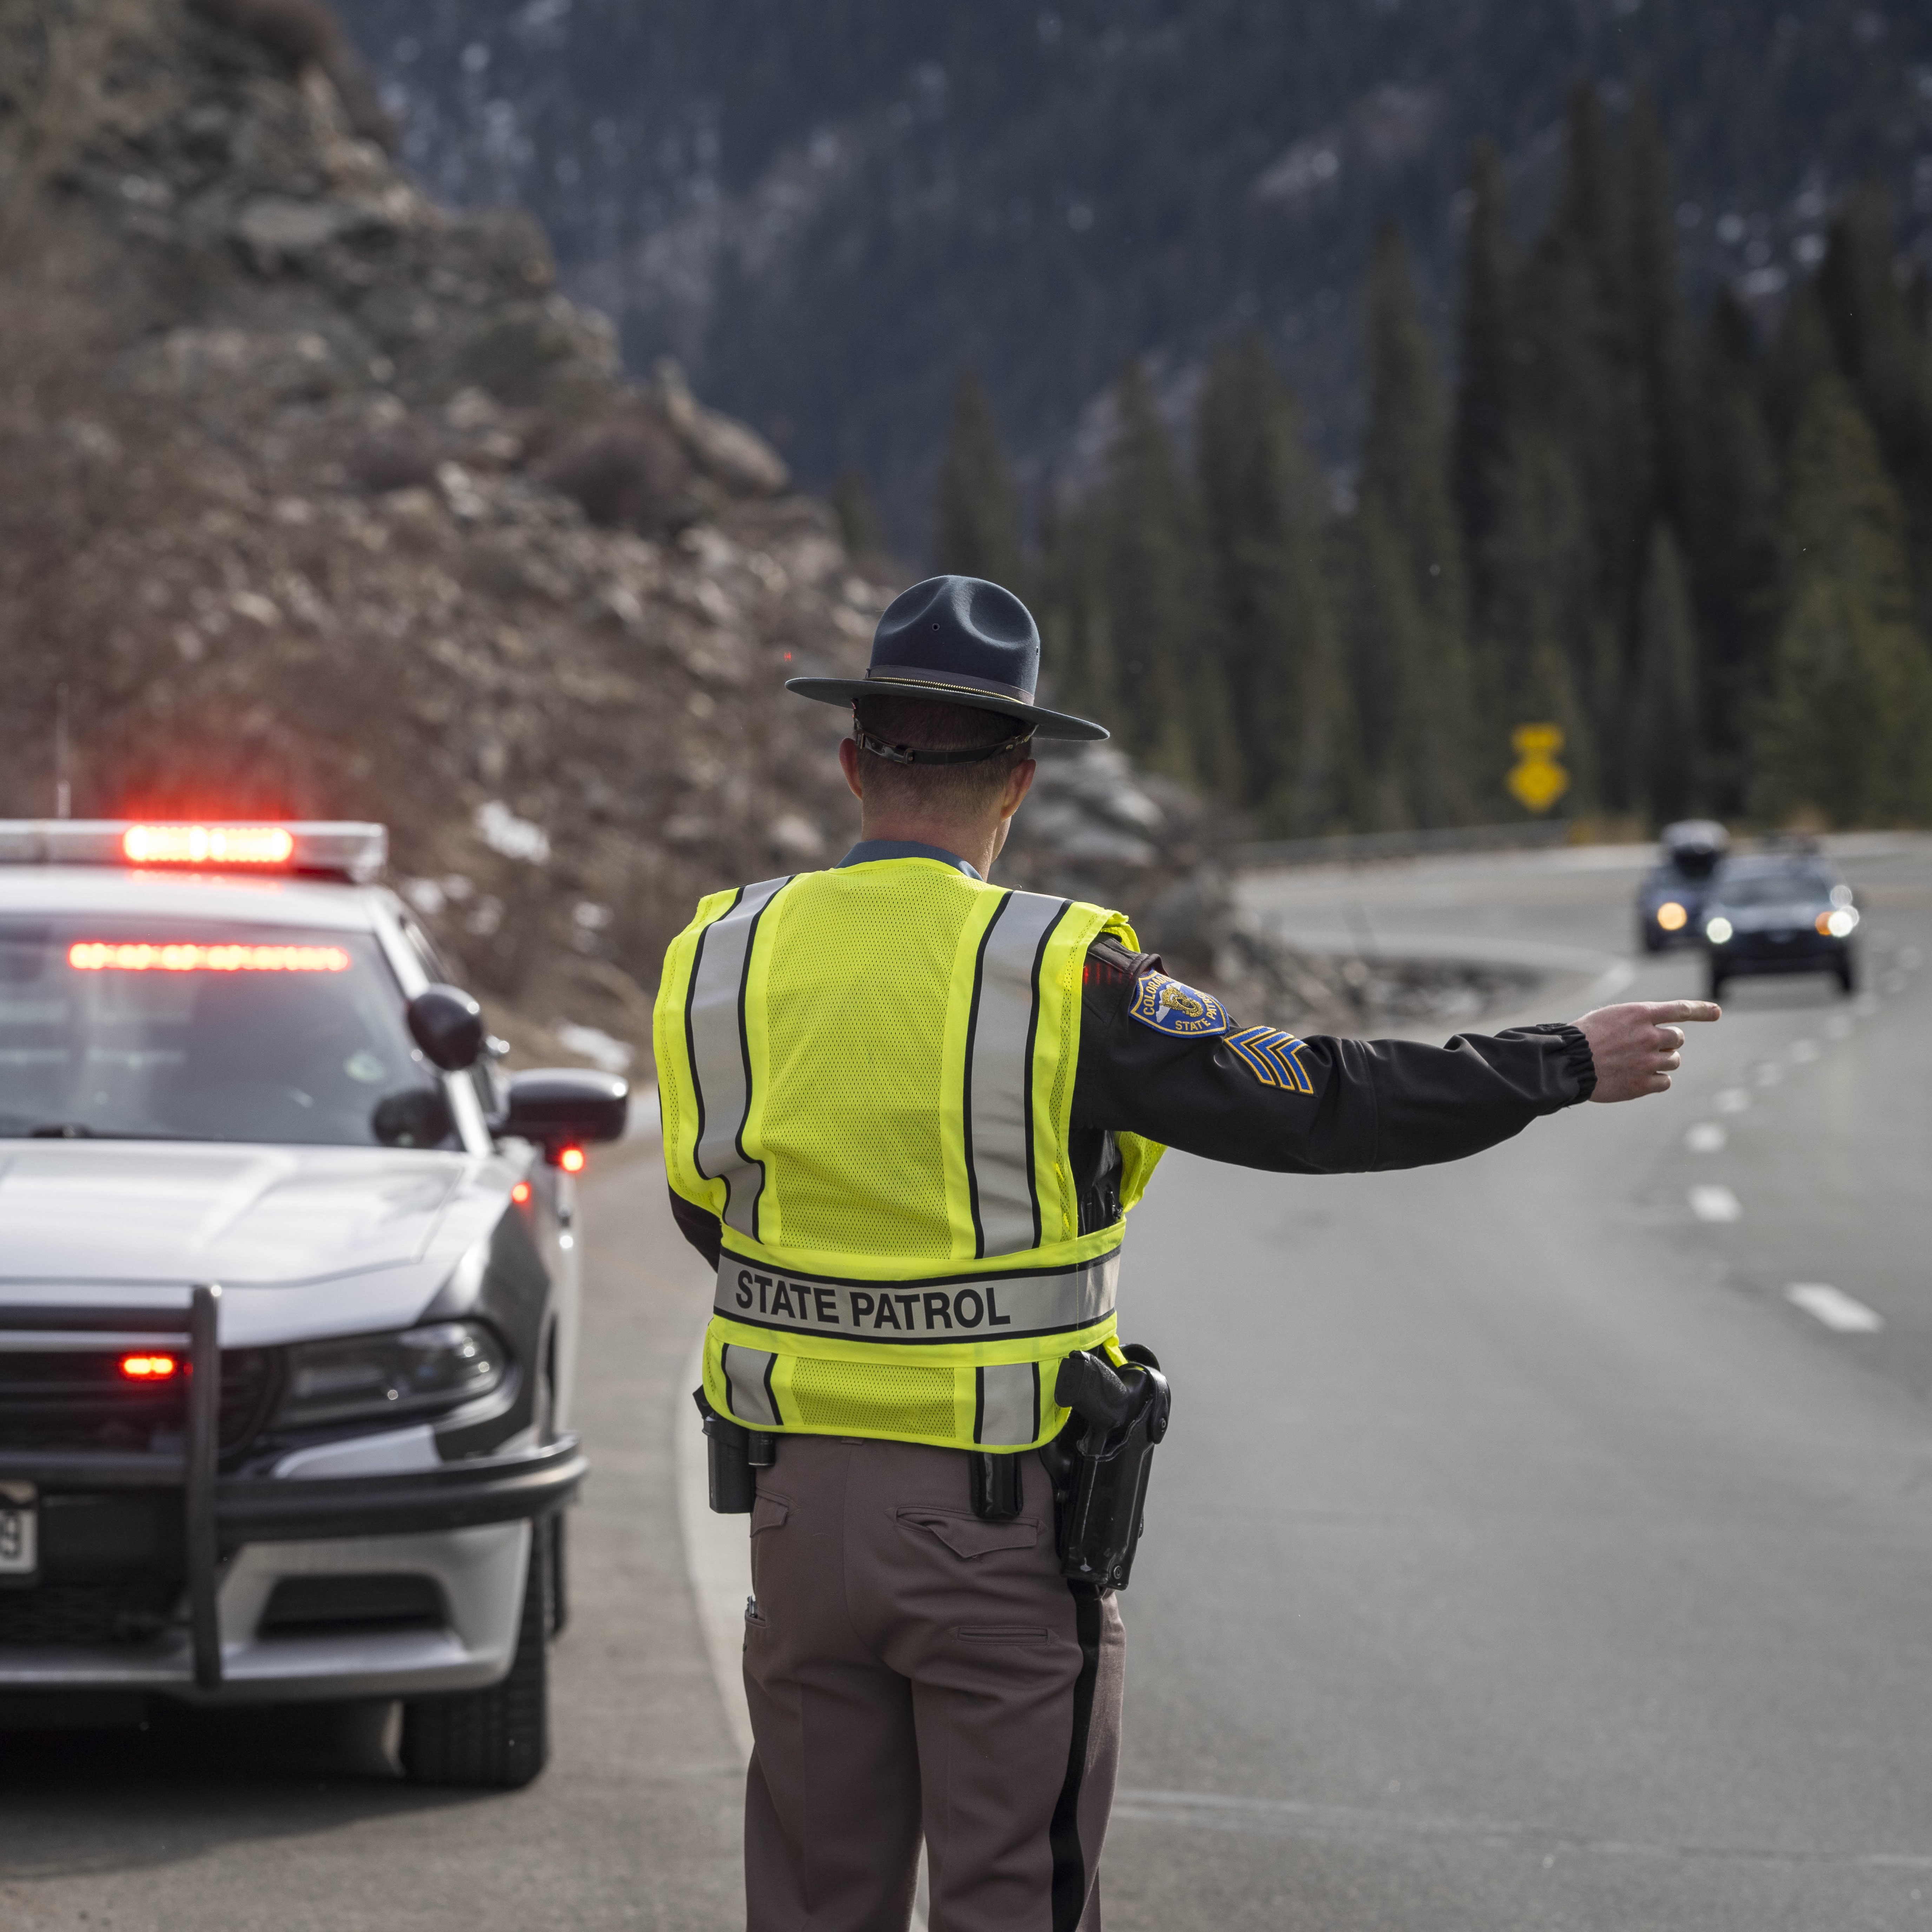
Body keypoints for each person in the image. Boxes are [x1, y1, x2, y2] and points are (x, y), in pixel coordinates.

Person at [653, 574, 1718, 1932]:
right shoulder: (1063, 974)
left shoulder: (719, 956)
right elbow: (1319, 1100)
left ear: (854, 761)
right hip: (993, 1536)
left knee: (810, 1906)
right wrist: (1560, 1060)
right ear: (1022, 781)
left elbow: (713, 1217)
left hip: (794, 1522)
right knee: (1010, 1904)